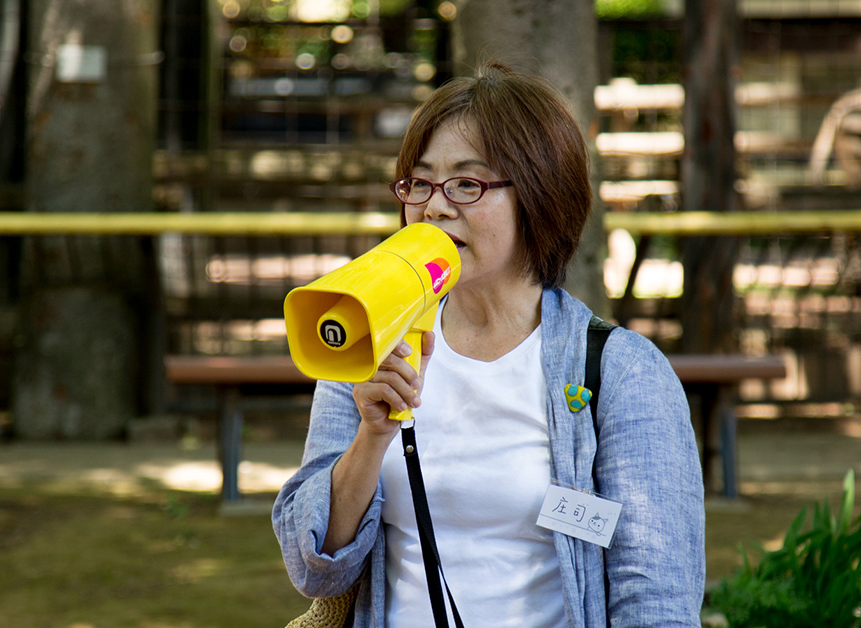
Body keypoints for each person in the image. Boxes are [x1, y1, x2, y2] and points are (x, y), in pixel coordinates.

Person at [273, 62, 704, 628]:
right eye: (419, 182)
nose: (435, 206)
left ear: (539, 196)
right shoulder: (367, 341)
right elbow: (315, 571)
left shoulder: (620, 373)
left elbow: (655, 599)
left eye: (467, 184)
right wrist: (371, 436)